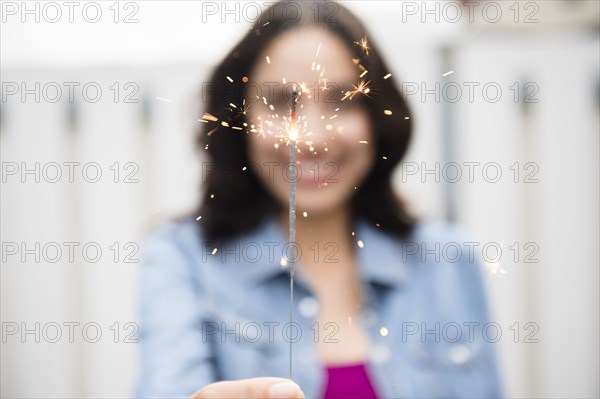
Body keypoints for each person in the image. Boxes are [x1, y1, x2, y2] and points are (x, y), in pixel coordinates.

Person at [137, 1, 503, 398]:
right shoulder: (181, 260)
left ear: (378, 115)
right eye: (279, 102)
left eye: (342, 100)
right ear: (240, 118)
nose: (310, 138)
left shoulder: (450, 260)